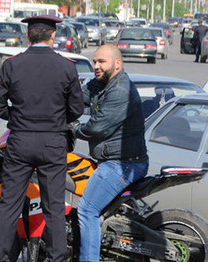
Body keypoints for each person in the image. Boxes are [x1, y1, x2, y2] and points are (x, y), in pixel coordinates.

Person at [0, 15, 84, 262]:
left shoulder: (12, 64)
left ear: (28, 37)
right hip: (53, 141)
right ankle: (56, 258)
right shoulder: (67, 66)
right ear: (53, 36)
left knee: (9, 204)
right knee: (53, 206)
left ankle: (0, 258)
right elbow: (77, 109)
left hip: (19, 139)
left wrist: (16, 116)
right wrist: (56, 119)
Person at [70, 45, 149, 261]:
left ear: (117, 63)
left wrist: (73, 129)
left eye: (101, 61)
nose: (96, 66)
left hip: (122, 164)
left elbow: (97, 127)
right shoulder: (100, 83)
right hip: (112, 160)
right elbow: (77, 100)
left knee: (87, 210)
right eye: (95, 61)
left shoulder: (120, 90)